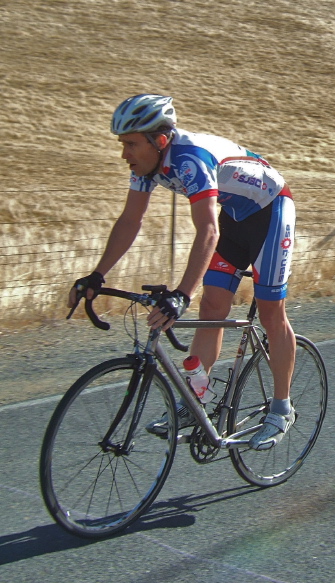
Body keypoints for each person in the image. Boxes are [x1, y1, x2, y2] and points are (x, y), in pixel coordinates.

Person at [68, 94, 297, 450]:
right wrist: (97, 275)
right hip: (236, 218)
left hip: (271, 211)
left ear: (159, 141)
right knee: (213, 308)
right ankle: (197, 401)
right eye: (122, 144)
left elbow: (207, 232)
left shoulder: (189, 159)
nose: (124, 154)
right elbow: (131, 220)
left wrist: (181, 294)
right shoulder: (149, 166)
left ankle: (282, 409)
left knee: (270, 311)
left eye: (130, 144)